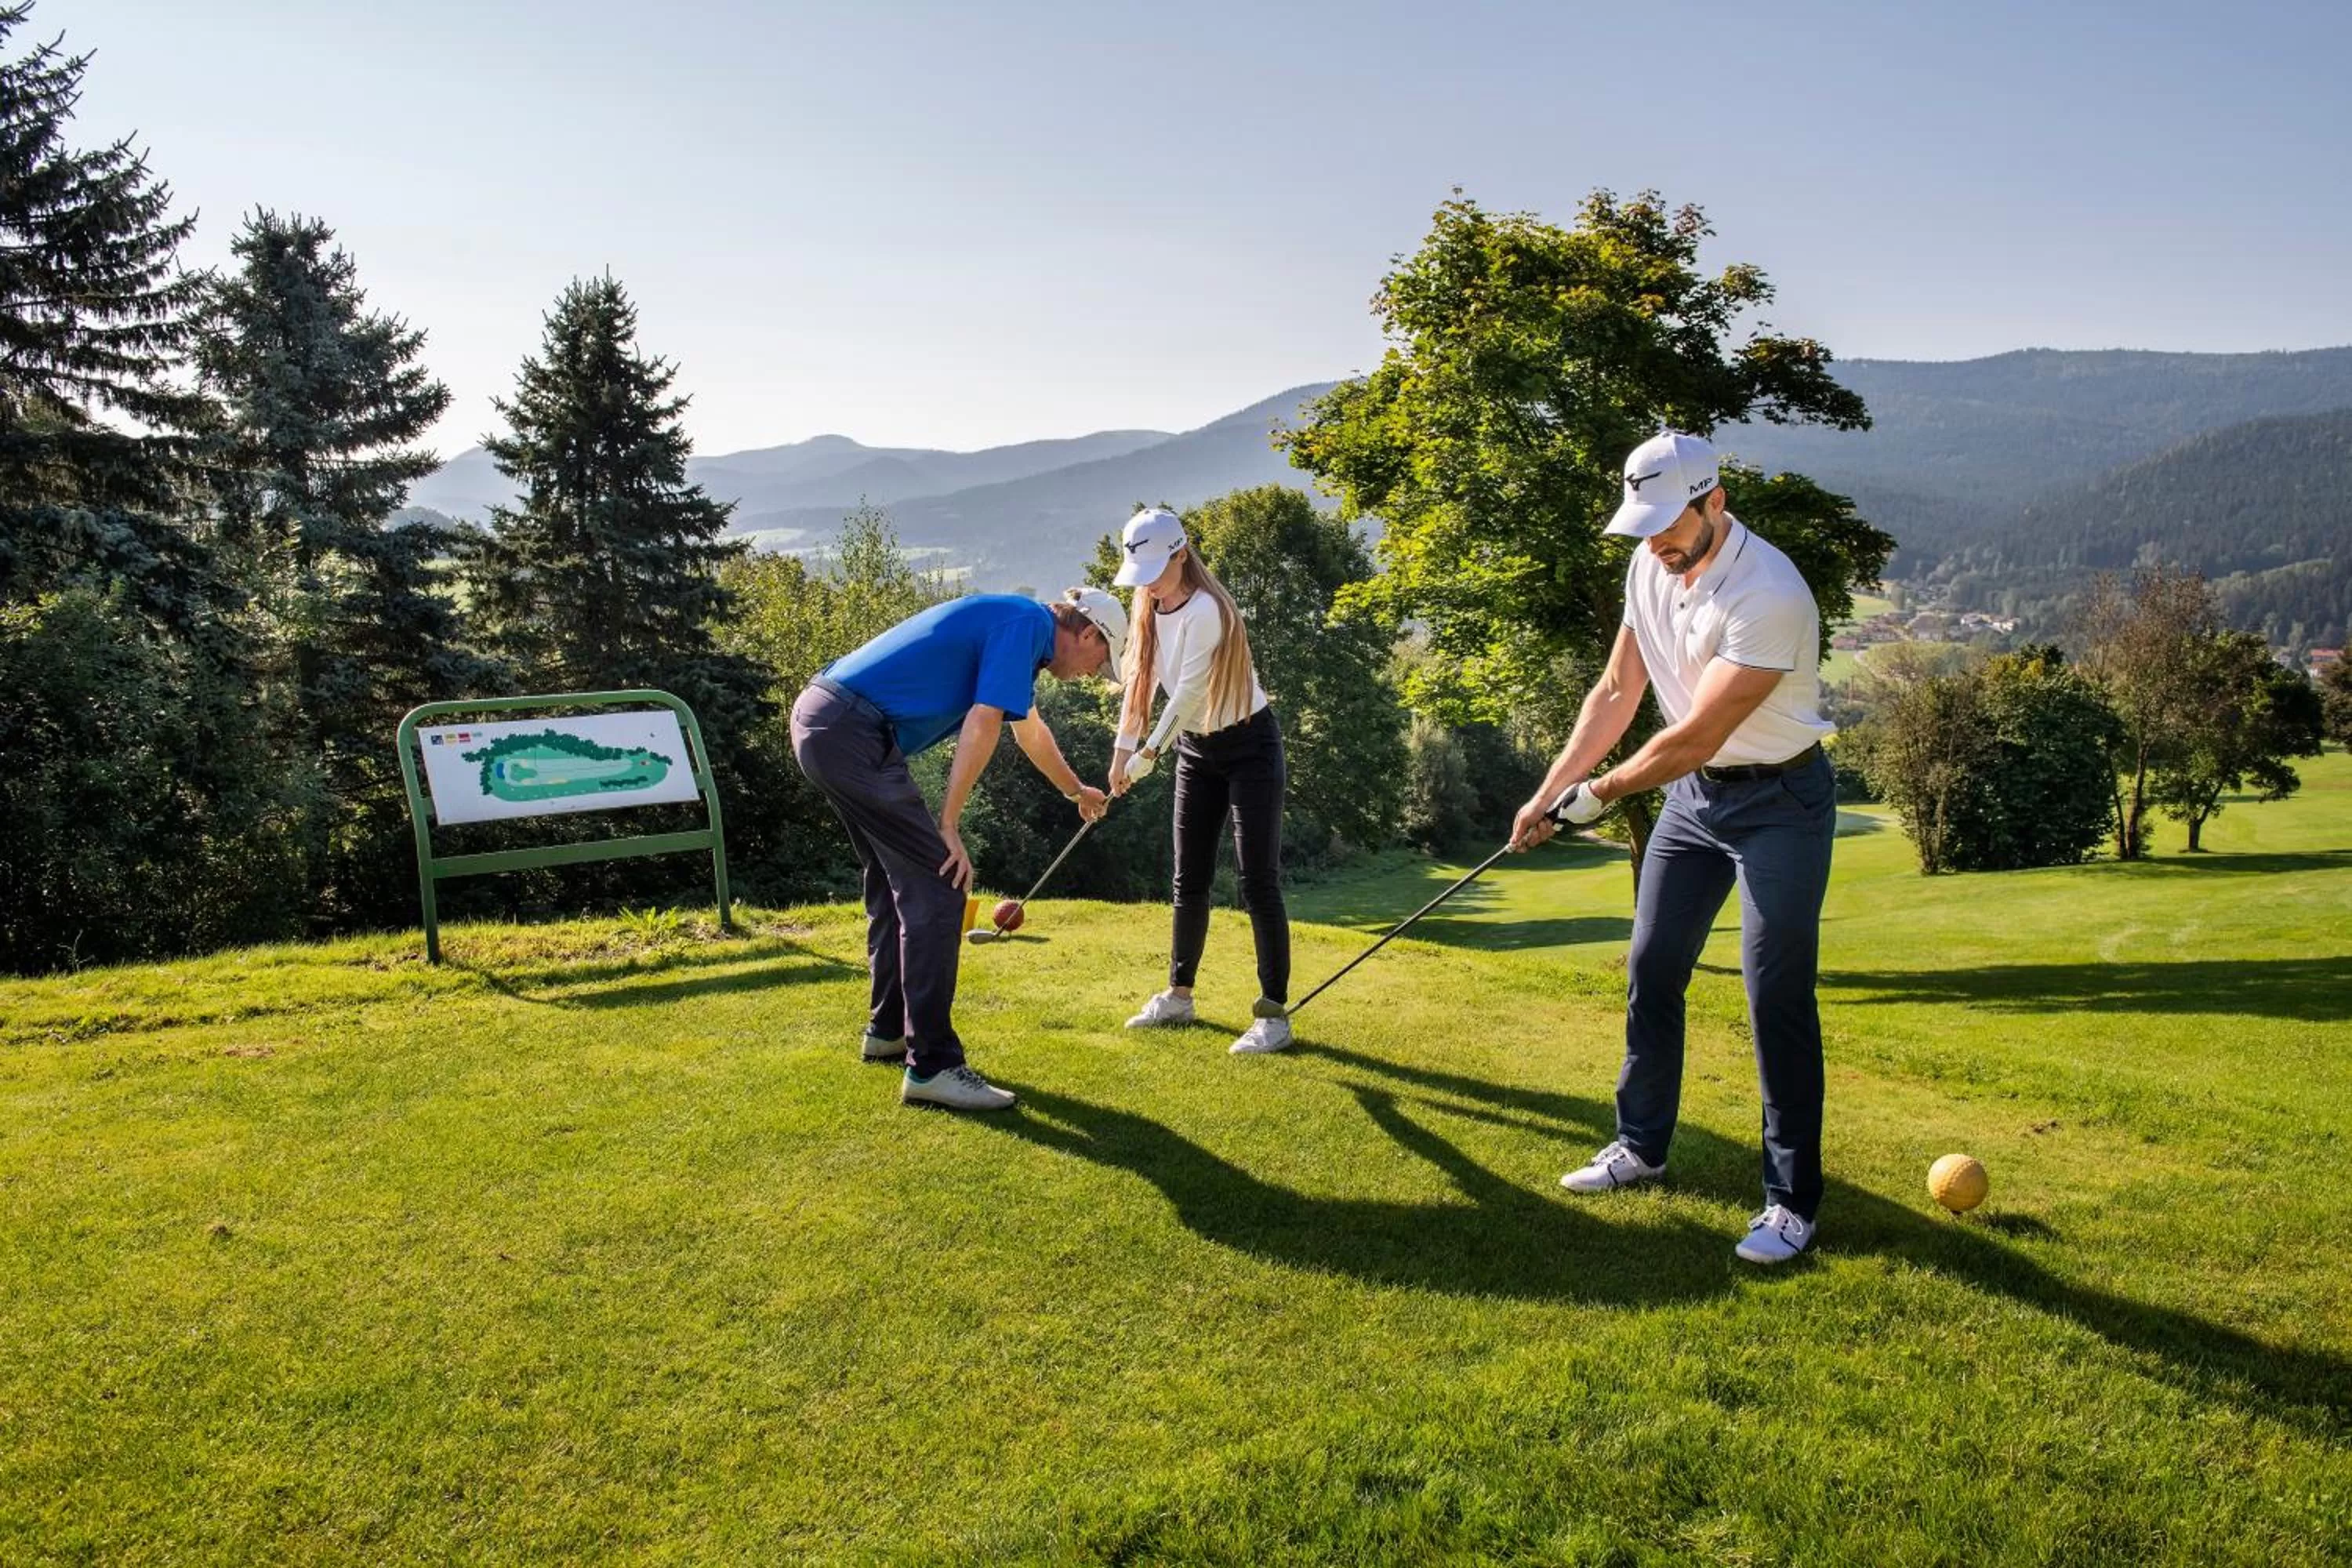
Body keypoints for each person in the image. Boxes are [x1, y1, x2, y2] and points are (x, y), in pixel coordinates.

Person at [1512, 431, 1838, 1265]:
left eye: (1669, 523)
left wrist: (1600, 795)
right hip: (1698, 801)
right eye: (1644, 524)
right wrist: (1552, 788)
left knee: (1775, 991)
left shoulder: (1769, 592)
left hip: (1782, 799)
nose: (1656, 542)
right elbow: (1618, 690)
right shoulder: (1648, 566)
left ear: (1714, 501)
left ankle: (1791, 1202)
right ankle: (1642, 1145)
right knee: (1651, 964)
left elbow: (1695, 734)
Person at [790, 588, 1126, 1111]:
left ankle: (888, 1032)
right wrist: (948, 823)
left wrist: (1075, 790)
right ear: (1087, 634)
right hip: (850, 732)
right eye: (1101, 660)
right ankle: (933, 1067)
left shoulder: (1020, 628)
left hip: (829, 722)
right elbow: (984, 721)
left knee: (892, 881)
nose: (1093, 674)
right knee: (942, 885)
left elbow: (1030, 733)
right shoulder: (1023, 626)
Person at [1107, 507, 1294, 1054]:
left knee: (1257, 881)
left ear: (1181, 554)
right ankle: (1179, 996)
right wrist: (1121, 756)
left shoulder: (1208, 610)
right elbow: (1139, 688)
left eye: (1155, 572)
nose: (1148, 586)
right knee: (1188, 879)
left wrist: (1148, 755)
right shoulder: (1148, 606)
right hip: (1197, 751)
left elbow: (1187, 695)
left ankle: (1273, 1016)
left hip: (1249, 747)